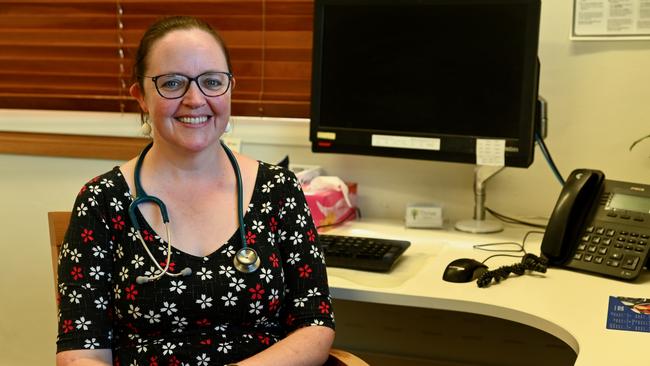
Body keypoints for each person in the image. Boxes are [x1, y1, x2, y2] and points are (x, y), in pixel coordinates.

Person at [55, 15, 335, 365]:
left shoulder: (278, 190)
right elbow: (80, 353)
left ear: (230, 88)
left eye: (212, 82)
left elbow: (315, 325)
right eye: (172, 83)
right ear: (140, 97)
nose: (195, 99)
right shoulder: (101, 202)